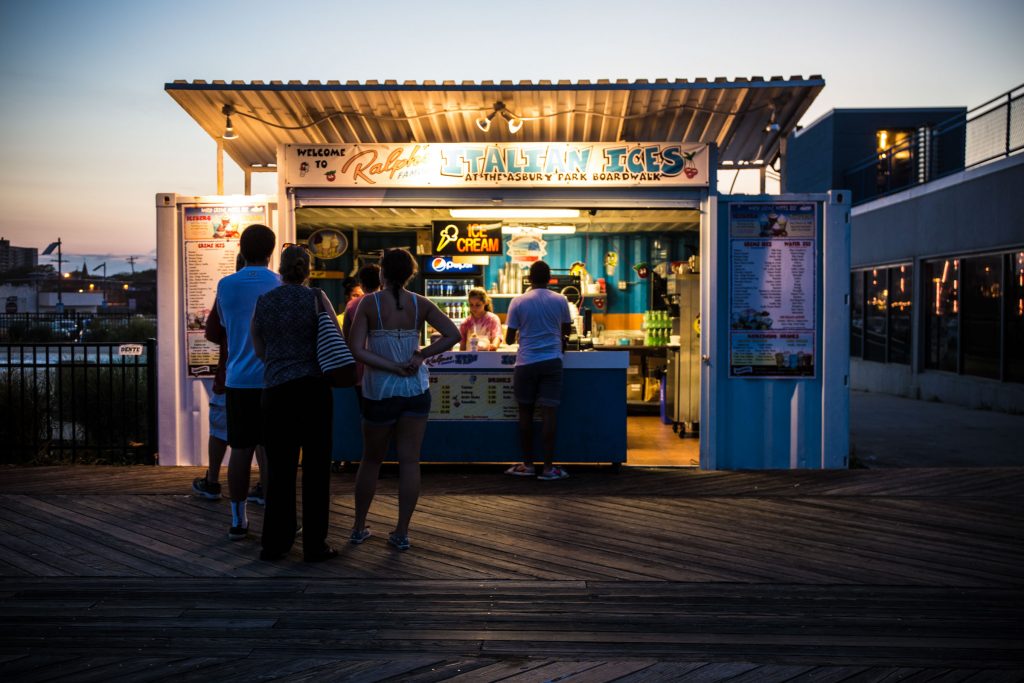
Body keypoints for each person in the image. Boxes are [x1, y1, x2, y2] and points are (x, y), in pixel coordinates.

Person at [347, 248, 460, 551]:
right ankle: (401, 532)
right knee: (410, 461)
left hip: (379, 391)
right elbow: (453, 334)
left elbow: (356, 349)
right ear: (410, 274)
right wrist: (420, 355)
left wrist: (390, 366)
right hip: (415, 391)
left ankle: (358, 527)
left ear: (382, 272)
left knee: (371, 460)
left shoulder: (369, 304)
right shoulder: (419, 303)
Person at [251, 245, 355, 562]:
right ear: (307, 270)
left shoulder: (265, 301)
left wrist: (282, 362)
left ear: (279, 269)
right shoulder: (316, 298)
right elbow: (334, 337)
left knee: (280, 469)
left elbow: (259, 347)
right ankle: (314, 544)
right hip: (313, 390)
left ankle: (275, 543)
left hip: (277, 391)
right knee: (316, 468)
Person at [214, 224, 280, 540]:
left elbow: (225, 327)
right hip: (273, 378)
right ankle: (272, 513)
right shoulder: (279, 284)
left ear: (241, 249)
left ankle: (238, 519)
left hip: (237, 378)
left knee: (240, 449)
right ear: (271, 251)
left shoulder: (226, 285)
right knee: (269, 449)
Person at [193, 252, 270, 502]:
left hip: (231, 376)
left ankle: (214, 483)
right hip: (268, 377)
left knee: (223, 433)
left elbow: (213, 332)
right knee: (263, 439)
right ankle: (265, 490)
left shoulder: (227, 288)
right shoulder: (277, 285)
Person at [503, 260, 573, 481]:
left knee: (525, 413)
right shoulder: (560, 300)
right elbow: (566, 331)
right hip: (552, 361)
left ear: (529, 279)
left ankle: (528, 465)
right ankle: (549, 468)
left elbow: (508, 337)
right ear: (550, 278)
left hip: (526, 362)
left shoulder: (518, 301)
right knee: (549, 413)